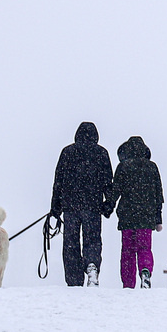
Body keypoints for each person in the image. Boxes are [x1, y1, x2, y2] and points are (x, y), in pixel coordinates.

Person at [50, 121, 113, 287]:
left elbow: (58, 182)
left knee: (71, 243)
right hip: (93, 205)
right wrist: (109, 204)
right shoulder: (101, 153)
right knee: (92, 239)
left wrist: (55, 208)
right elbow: (108, 182)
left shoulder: (67, 152)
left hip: (70, 206)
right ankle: (92, 265)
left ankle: (74, 279)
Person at [106, 135, 164, 289]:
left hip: (127, 217)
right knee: (144, 248)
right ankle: (145, 271)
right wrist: (158, 219)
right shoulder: (152, 167)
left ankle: (128, 283)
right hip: (146, 217)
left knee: (128, 251)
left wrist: (108, 207)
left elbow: (115, 191)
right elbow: (158, 196)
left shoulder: (123, 167)